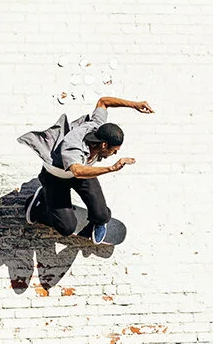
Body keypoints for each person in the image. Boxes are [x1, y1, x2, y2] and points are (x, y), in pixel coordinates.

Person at [18, 96, 153, 243]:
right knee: (66, 228)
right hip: (56, 178)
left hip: (82, 174)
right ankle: (41, 203)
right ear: (103, 145)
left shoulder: (97, 126)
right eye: (113, 150)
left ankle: (99, 221)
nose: (115, 154)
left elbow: (103, 102)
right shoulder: (72, 146)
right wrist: (111, 168)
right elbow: (77, 171)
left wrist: (134, 104)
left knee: (102, 215)